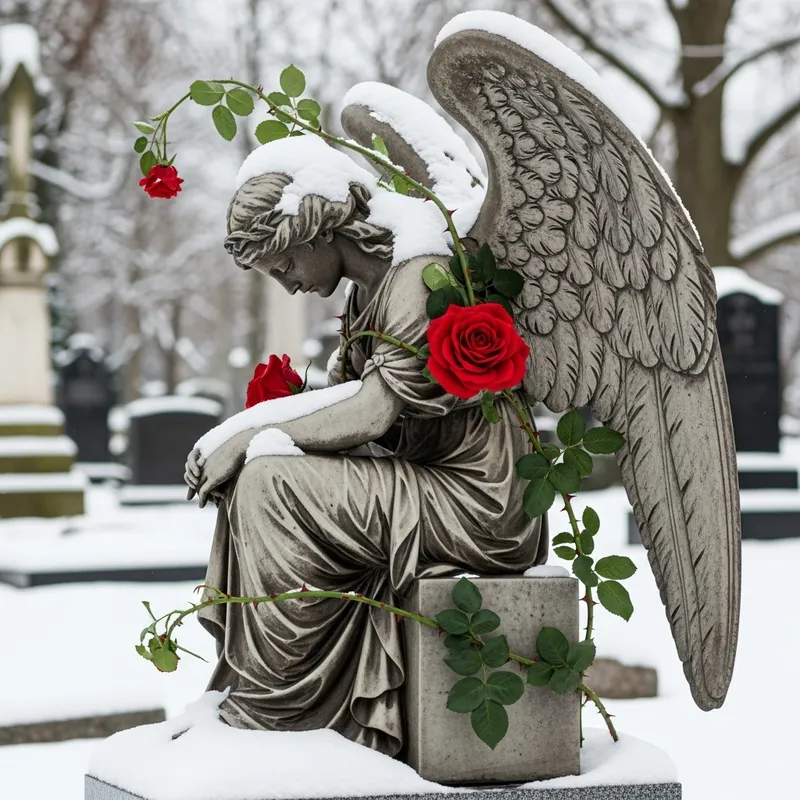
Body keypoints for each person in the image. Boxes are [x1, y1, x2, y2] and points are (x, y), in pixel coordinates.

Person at [185, 155, 546, 757]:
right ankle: (268, 686)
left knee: (270, 483)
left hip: (478, 501)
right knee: (260, 478)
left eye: (287, 264)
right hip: (424, 481)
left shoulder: (418, 278)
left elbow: (372, 414)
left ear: (322, 231)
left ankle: (281, 704)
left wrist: (247, 437)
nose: (289, 283)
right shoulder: (364, 297)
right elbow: (350, 407)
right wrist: (256, 429)